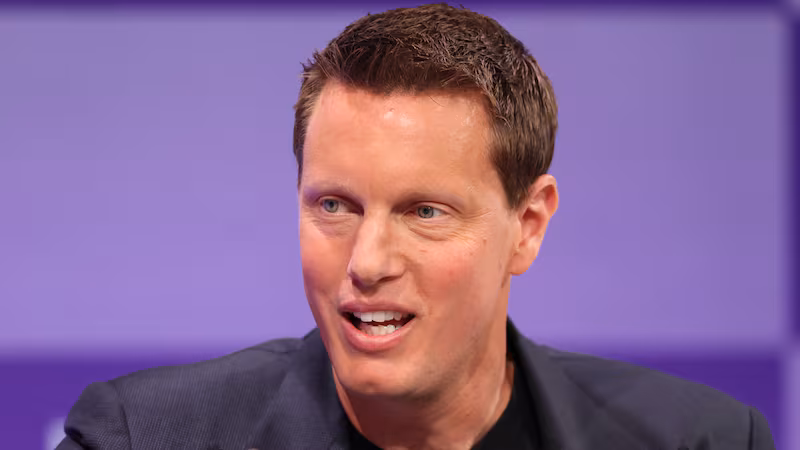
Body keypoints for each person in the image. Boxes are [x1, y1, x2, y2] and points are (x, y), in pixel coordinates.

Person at [57, 4, 775, 449]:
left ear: (527, 225)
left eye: (424, 212)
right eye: (335, 206)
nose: (367, 261)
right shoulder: (142, 438)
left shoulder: (701, 440)